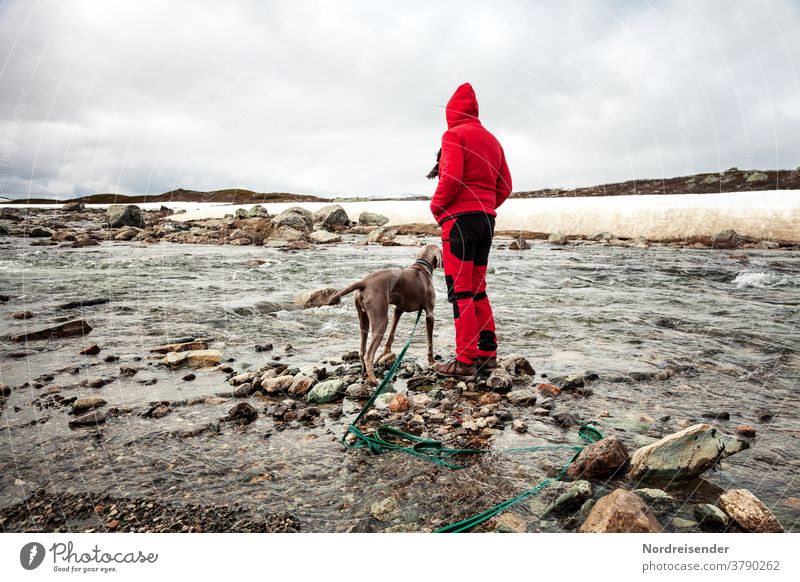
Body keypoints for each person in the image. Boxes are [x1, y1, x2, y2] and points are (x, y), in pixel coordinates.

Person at [428, 82, 512, 379]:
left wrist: (437, 208)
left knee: (460, 290)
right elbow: (506, 186)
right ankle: (487, 356)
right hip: (486, 221)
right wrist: (486, 205)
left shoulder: (454, 135)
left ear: (451, 112)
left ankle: (464, 361)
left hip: (460, 223)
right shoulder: (492, 140)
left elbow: (450, 178)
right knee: (477, 288)